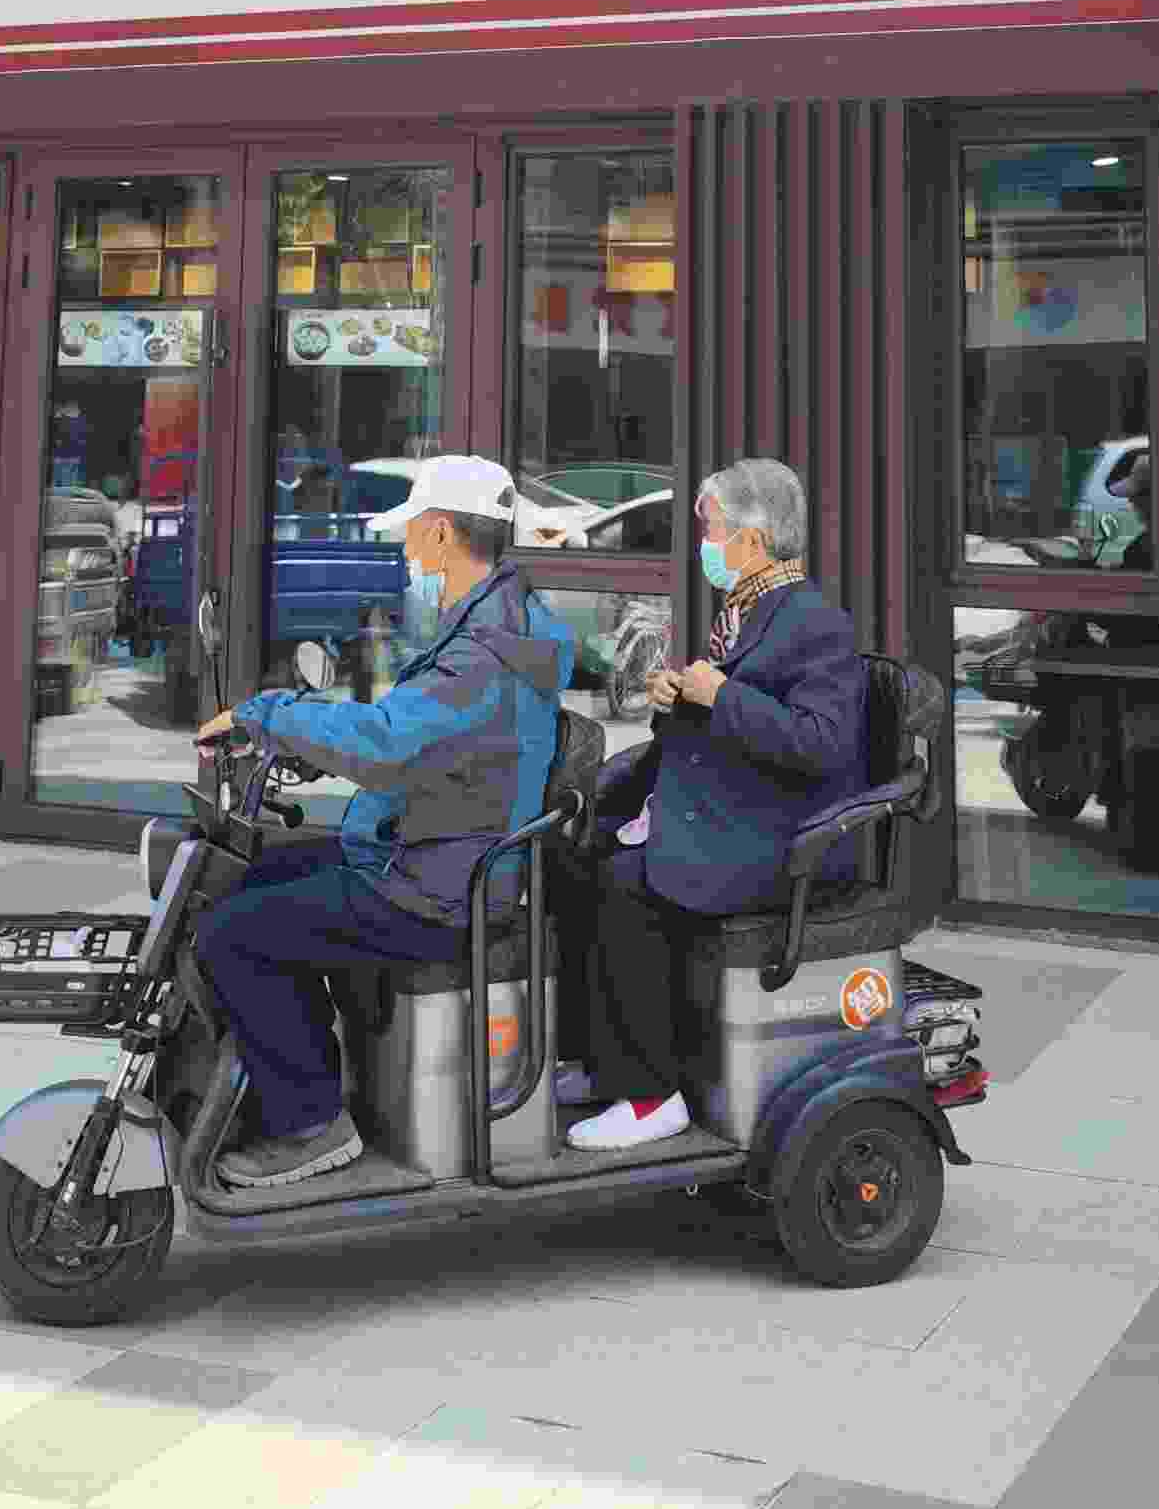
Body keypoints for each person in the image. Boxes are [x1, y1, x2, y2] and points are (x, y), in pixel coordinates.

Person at [190, 456, 577, 1188]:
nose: (404, 548)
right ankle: (295, 1072)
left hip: (438, 887)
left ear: (441, 534)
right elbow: (436, 744)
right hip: (440, 854)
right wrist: (306, 748)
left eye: (411, 532)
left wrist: (264, 715)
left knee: (233, 934)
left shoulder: (481, 653)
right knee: (257, 874)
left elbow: (389, 744)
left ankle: (310, 1123)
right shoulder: (503, 623)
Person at [549, 457, 866, 1152]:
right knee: (571, 857)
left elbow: (820, 743)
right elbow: (727, 720)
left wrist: (719, 694)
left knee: (626, 885)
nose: (704, 544)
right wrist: (678, 699)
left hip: (774, 838)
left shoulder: (816, 623)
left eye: (712, 529)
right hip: (724, 810)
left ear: (752, 540)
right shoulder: (748, 611)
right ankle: (602, 1061)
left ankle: (651, 1097)